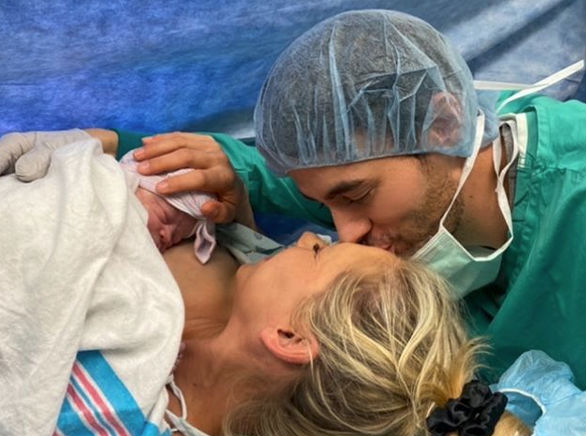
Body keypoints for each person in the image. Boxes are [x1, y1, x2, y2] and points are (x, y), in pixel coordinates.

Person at [0, 9, 584, 391]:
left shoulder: (572, 196)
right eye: (326, 207)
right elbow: (246, 169)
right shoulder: (384, 180)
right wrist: (108, 147)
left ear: (443, 124)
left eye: (356, 196)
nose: (342, 234)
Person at [1, 140, 584, 436]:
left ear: (290, 337)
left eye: (318, 254)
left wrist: (86, 176)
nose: (308, 236)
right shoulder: (231, 258)